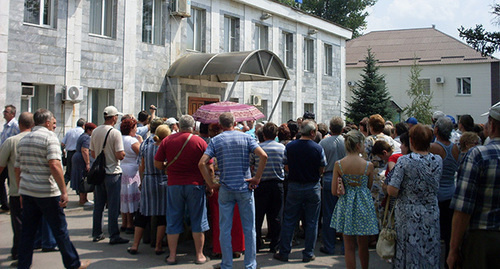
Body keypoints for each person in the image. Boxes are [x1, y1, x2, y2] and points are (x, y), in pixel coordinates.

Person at [14, 109, 89, 269]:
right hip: (47, 192)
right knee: (60, 230)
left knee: (27, 232)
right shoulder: (50, 138)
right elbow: (54, 164)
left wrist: (20, 190)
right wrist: (63, 190)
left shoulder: (24, 140)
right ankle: (73, 263)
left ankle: (23, 264)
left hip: (28, 191)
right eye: (53, 123)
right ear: (47, 122)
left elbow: (17, 168)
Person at [198, 112, 268, 269]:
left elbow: (202, 163)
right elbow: (263, 156)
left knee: (225, 228)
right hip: (244, 187)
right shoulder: (246, 138)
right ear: (235, 122)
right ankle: (250, 264)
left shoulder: (216, 140)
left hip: (225, 187)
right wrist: (257, 177)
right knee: (249, 228)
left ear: (220, 125)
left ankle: (227, 264)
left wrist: (211, 184)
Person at [447, 103, 500, 269]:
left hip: (484, 239)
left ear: (491, 125)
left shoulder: (479, 155)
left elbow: (463, 208)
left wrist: (453, 249)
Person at [155, 115, 210, 265]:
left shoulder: (167, 141)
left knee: (173, 219)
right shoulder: (200, 142)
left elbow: (157, 163)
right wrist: (210, 183)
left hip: (174, 184)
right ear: (193, 127)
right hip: (195, 184)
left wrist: (167, 166)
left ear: (179, 125)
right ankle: (199, 255)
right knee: (198, 219)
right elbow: (209, 165)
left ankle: (172, 256)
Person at [387, 124, 443, 268]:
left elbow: (392, 189)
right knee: (429, 249)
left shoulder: (405, 161)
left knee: (409, 251)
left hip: (409, 213)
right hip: (431, 211)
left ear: (411, 140)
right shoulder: (437, 160)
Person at [274, 120, 326, 263]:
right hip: (313, 186)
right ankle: (308, 253)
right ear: (312, 133)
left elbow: (285, 166)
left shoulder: (290, 147)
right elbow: (322, 167)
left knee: (289, 219)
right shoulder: (317, 148)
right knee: (311, 221)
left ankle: (284, 251)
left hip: (294, 185)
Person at [330, 130, 378, 269]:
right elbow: (368, 187)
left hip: (346, 203)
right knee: (363, 245)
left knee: (349, 245)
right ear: (358, 145)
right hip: (363, 204)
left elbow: (334, 191)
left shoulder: (339, 164)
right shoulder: (368, 165)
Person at [127, 124, 170, 255]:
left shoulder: (145, 143)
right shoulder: (166, 144)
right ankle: (158, 246)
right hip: (162, 180)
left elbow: (142, 165)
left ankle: (135, 245)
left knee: (143, 212)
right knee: (162, 214)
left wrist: (141, 180)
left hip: (148, 179)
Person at [90, 106, 129, 245]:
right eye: (116, 116)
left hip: (99, 173)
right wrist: (121, 155)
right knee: (113, 205)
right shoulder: (115, 133)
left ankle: (96, 233)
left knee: (98, 205)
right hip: (113, 173)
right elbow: (120, 154)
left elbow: (93, 153)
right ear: (113, 117)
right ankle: (114, 235)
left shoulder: (95, 131)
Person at [0, 112, 33, 264]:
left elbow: (1, 165)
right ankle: (19, 251)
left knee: (19, 223)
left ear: (19, 124)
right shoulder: (40, 140)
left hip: (17, 190)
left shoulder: (11, 141)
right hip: (37, 190)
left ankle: (21, 255)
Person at [250, 122, 285, 254]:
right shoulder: (282, 148)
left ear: (263, 135)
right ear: (276, 135)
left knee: (258, 215)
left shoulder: (257, 148)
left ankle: (257, 243)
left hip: (260, 184)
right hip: (277, 184)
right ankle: (275, 245)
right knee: (276, 215)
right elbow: (285, 165)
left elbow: (251, 165)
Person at [429, 116, 459, 266]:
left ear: (437, 130)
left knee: (434, 235)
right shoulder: (455, 147)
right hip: (451, 193)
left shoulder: (434, 148)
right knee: (448, 234)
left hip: (436, 195)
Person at [318, 116, 346, 255]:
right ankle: (345, 246)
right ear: (341, 128)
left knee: (329, 213)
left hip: (328, 177)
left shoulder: (323, 143)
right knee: (344, 212)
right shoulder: (346, 142)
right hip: (344, 178)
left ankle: (329, 245)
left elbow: (320, 163)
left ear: (330, 128)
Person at [119, 118, 142, 234]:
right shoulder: (133, 141)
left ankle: (124, 222)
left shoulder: (119, 138)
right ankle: (130, 223)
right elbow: (141, 153)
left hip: (122, 168)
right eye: (135, 127)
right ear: (131, 129)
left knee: (124, 197)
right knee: (131, 197)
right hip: (132, 169)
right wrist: (141, 142)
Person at [70, 123, 97, 206]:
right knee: (82, 178)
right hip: (81, 159)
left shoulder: (82, 136)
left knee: (81, 178)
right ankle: (82, 200)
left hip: (77, 157)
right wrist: (88, 163)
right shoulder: (86, 137)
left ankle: (84, 199)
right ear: (89, 130)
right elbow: (84, 150)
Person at [1, 105, 20, 212]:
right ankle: (4, 204)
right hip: (5, 158)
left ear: (13, 114)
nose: (4, 113)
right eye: (4, 111)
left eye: (7, 111)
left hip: (12, 158)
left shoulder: (15, 125)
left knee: (11, 181)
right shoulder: (6, 126)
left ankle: (12, 204)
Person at [61, 118, 86, 185]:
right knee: (79, 172)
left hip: (70, 153)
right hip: (79, 153)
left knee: (68, 172)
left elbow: (62, 143)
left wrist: (63, 151)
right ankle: (79, 189)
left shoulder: (69, 131)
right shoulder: (83, 133)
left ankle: (62, 186)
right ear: (83, 125)